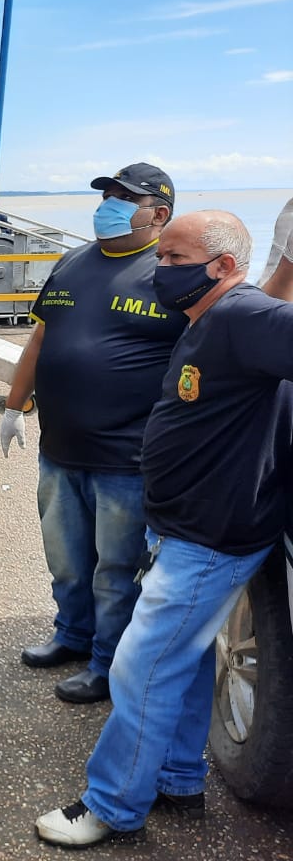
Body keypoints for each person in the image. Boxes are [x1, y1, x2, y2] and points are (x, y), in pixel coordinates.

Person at [36, 210, 293, 846]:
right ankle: (178, 777)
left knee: (141, 666)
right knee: (187, 658)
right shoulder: (210, 317)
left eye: (175, 260)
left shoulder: (242, 315)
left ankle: (112, 806)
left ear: (225, 268)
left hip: (208, 537)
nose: (160, 270)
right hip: (189, 526)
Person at [1, 163, 185, 704]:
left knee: (117, 569)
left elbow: (218, 339)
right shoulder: (72, 263)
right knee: (66, 559)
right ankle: (72, 635)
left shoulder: (170, 273)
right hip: (59, 450)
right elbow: (39, 341)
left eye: (126, 197)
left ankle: (109, 663)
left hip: (128, 459)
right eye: (108, 193)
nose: (110, 203)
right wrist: (13, 407)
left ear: (160, 214)